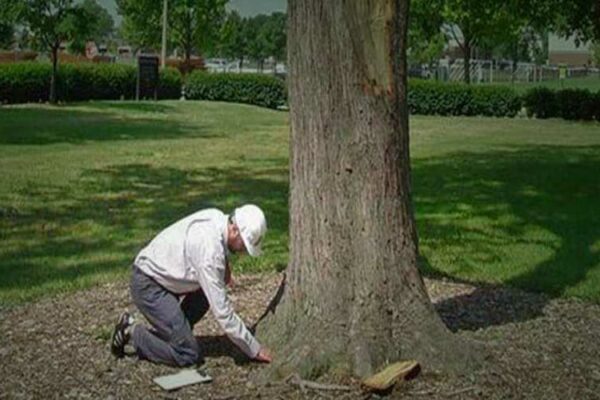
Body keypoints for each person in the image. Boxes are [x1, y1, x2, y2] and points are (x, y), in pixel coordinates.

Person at [110, 204, 273, 366]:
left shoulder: (216, 217)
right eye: (244, 245)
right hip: (149, 285)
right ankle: (131, 333)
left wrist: (225, 266)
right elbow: (223, 314)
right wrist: (253, 348)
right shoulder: (210, 254)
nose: (244, 251)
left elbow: (214, 251)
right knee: (188, 354)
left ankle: (177, 335)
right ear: (234, 230)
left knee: (206, 292)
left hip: (162, 275)